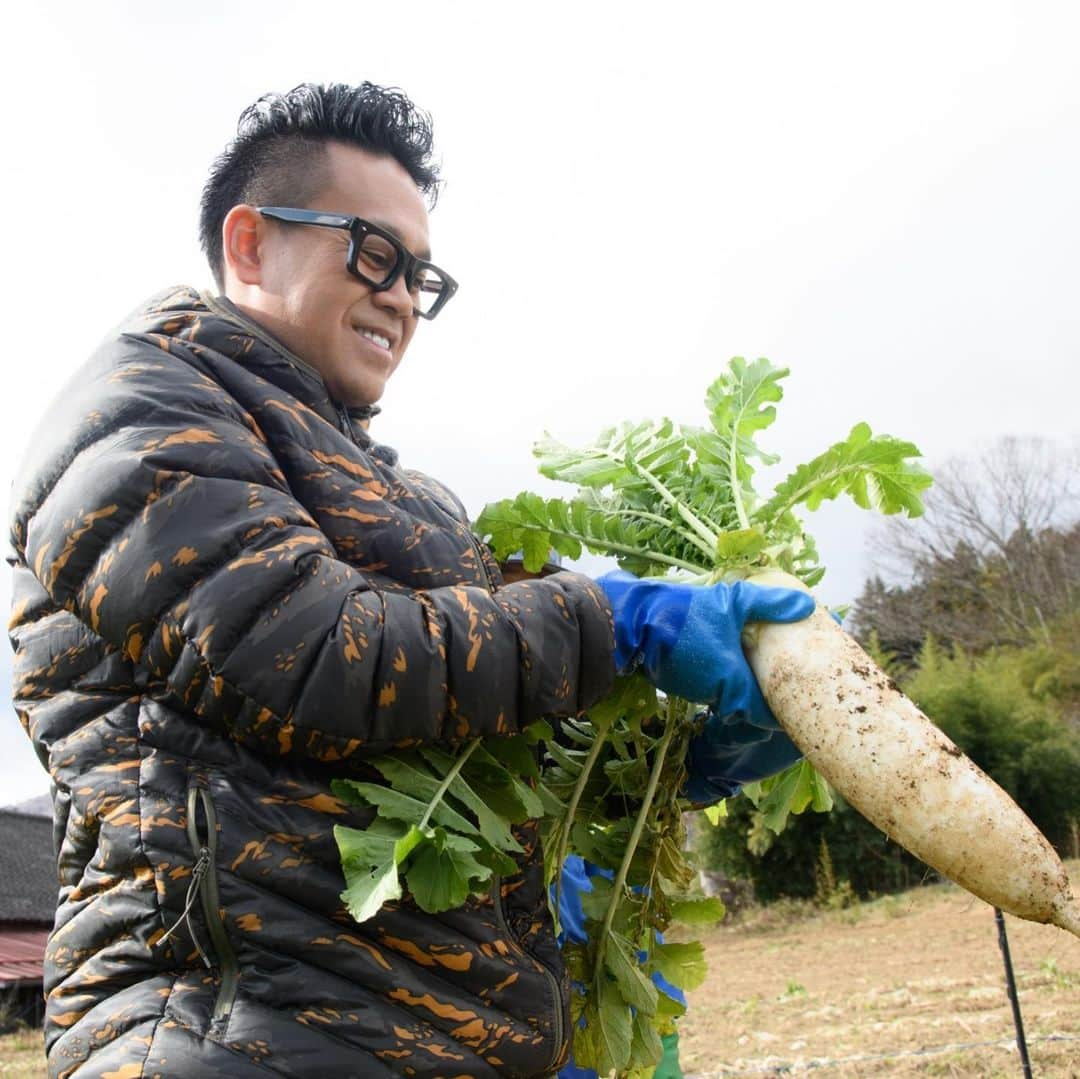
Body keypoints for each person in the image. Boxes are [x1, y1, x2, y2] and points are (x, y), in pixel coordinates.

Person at [7, 82, 813, 1078]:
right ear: (251, 243)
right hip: (232, 1035)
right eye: (373, 253)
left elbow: (487, 718)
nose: (400, 295)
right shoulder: (144, 407)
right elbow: (304, 652)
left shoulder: (407, 497)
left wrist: (662, 752)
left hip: (442, 1040)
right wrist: (618, 619)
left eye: (421, 276)